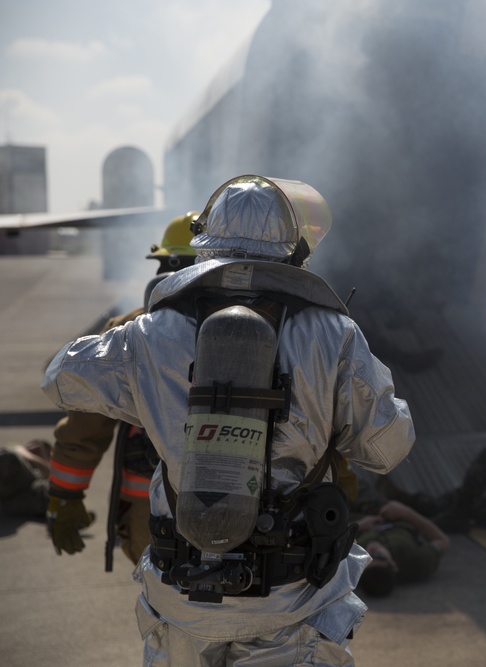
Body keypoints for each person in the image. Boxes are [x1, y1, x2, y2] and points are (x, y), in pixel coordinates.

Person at [42, 175, 414, 666]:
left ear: (206, 246)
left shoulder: (151, 333)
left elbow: (60, 378)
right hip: (292, 599)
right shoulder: (335, 334)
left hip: (183, 597)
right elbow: (387, 449)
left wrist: (153, 386)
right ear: (293, 252)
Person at [47, 212, 200, 566]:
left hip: (152, 515)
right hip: (249, 508)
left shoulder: (132, 330)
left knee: (168, 607)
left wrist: (65, 496)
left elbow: (88, 422)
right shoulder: (268, 329)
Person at [354, 500, 450, 598]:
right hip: (400, 519)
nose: (371, 551)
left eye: (365, 560)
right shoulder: (416, 561)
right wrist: (406, 513)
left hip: (359, 519)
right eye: (378, 556)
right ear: (394, 566)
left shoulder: (351, 561)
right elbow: (442, 540)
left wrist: (358, 525)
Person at [0, 440, 53, 518]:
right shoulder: (16, 452)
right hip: (8, 481)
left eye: (41, 450)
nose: (35, 449)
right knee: (9, 458)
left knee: (53, 494)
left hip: (17, 499)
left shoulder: (40, 477)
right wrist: (40, 461)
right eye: (33, 445)